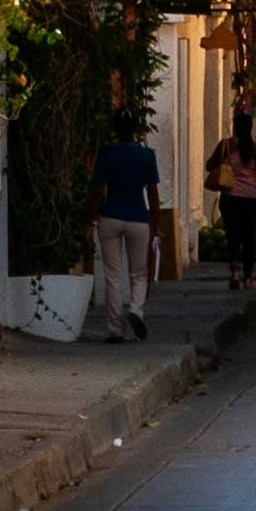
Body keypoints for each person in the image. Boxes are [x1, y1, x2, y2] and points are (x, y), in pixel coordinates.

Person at [90, 107, 161, 339]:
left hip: (110, 216)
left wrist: (90, 217)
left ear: (114, 128)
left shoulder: (106, 154)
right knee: (139, 273)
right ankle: (136, 310)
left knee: (113, 275)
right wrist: (156, 224)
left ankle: (114, 329)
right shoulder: (147, 156)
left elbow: (99, 191)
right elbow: (152, 192)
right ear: (135, 129)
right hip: (138, 219)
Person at [205, 108, 256, 286]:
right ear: (250, 128)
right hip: (251, 198)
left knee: (233, 235)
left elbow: (209, 165)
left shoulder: (225, 145)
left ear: (234, 127)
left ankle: (235, 271)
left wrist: (224, 160)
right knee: (249, 236)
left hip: (230, 197)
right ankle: (249, 276)